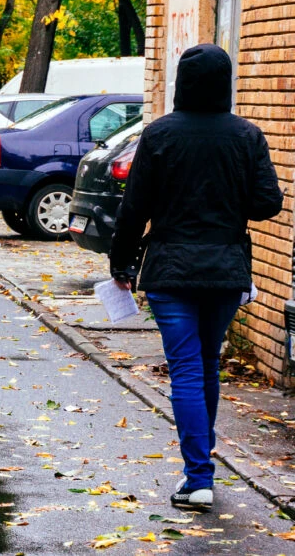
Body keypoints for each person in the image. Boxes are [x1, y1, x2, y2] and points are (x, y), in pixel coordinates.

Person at [110, 44, 283, 512]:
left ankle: (197, 476)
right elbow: (269, 203)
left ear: (182, 82)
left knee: (186, 368)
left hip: (170, 269)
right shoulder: (246, 136)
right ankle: (200, 471)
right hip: (225, 269)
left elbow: (135, 208)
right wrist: (228, 200)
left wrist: (121, 263)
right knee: (206, 365)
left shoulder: (161, 134)